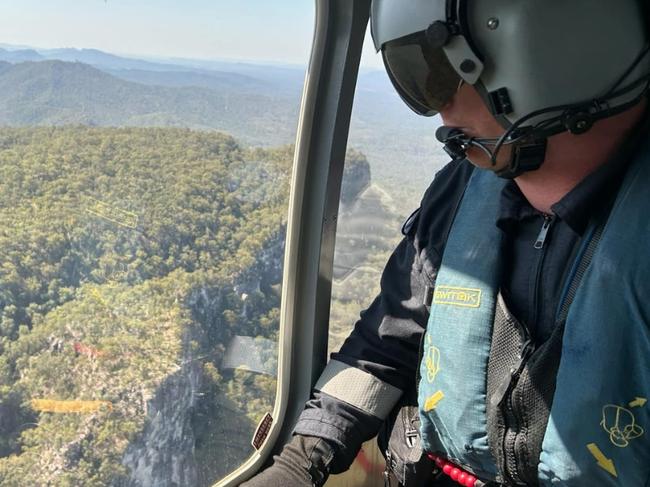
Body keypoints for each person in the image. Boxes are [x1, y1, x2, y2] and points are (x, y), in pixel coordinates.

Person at [243, 0, 650, 485]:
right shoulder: (461, 191)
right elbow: (384, 345)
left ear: (549, 49)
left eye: (438, 71)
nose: (435, 108)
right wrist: (298, 462)